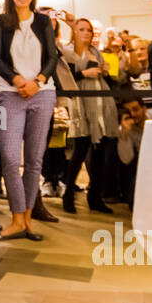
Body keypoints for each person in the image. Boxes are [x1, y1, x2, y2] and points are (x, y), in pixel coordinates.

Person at [0, 0, 58, 242]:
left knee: (34, 161)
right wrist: (18, 81)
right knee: (8, 157)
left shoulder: (43, 21)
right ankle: (16, 218)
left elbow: (52, 57)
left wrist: (37, 82)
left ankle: (27, 219)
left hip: (43, 94)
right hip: (9, 95)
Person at [60, 17, 120, 213]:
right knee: (80, 151)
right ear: (74, 31)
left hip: (101, 102)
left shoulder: (95, 52)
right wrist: (85, 74)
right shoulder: (68, 52)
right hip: (82, 103)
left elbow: (106, 78)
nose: (86, 33)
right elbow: (66, 79)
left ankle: (95, 197)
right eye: (82, 29)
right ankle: (68, 194)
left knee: (100, 152)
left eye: (89, 30)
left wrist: (103, 72)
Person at [41, 13, 89, 215]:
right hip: (38, 93)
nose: (49, 20)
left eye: (52, 18)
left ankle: (58, 179)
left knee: (59, 141)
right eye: (45, 17)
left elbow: (78, 55)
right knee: (42, 141)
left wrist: (73, 26)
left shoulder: (59, 46)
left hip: (59, 97)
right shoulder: (31, 42)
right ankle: (46, 180)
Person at [115, 99, 147, 206]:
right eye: (129, 112)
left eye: (135, 109)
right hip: (140, 169)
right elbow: (126, 159)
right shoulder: (126, 128)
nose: (133, 114)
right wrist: (124, 133)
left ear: (144, 109)